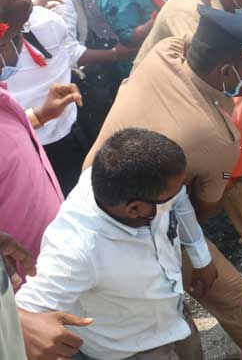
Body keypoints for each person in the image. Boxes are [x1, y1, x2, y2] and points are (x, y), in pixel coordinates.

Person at [84, 8, 242, 360]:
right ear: (226, 71)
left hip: (92, 192)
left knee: (210, 299)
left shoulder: (166, 53)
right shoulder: (214, 136)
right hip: (137, 225)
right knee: (194, 312)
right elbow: (205, 207)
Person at [15, 128, 207, 360]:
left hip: (173, 315)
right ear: (134, 208)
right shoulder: (77, 250)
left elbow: (179, 197)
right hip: (133, 350)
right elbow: (25, 314)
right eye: (169, 198)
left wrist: (201, 257)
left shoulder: (124, 183)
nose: (177, 197)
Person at [0, 0, 77, 263]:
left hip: (50, 265)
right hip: (21, 296)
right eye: (9, 39)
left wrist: (39, 116)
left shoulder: (5, 94)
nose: (13, 49)